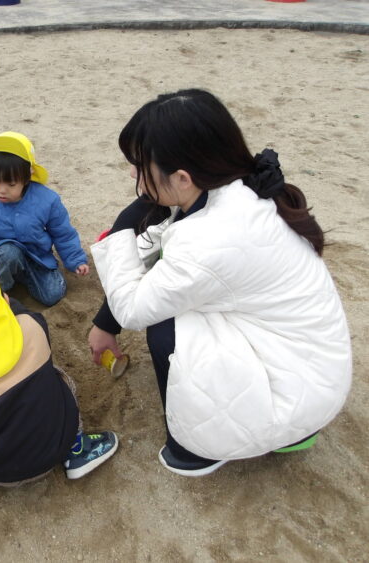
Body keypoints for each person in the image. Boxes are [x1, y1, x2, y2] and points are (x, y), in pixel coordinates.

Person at [89, 88, 352, 477]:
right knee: (169, 290)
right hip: (310, 368)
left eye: (139, 166)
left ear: (182, 178)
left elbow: (132, 308)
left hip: (296, 394)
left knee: (166, 326)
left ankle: (199, 449)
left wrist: (120, 232)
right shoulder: (237, 188)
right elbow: (164, 242)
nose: (132, 174)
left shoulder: (211, 238)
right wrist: (104, 321)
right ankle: (285, 428)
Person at [0, 257, 118, 486]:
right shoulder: (33, 326)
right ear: (4, 300)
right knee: (58, 376)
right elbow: (17, 311)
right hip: (60, 441)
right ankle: (76, 448)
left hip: (2, 473)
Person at [0, 131, 90, 307]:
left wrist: (75, 259)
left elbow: (62, 233)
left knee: (53, 294)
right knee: (9, 253)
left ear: (27, 178)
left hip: (35, 257)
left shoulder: (47, 201)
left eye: (11, 184)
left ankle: (21, 276)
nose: (1, 190)